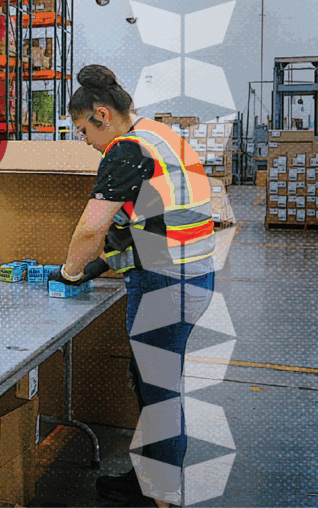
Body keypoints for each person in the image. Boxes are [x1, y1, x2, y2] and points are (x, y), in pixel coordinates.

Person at [48, 66, 215, 508]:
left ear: (101, 114)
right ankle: (150, 480)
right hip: (191, 272)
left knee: (158, 390)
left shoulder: (126, 150)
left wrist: (69, 271)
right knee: (151, 382)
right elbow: (149, 223)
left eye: (83, 130)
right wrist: (100, 266)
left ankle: (162, 497)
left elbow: (92, 227)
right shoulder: (160, 134)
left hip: (167, 281)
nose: (84, 140)